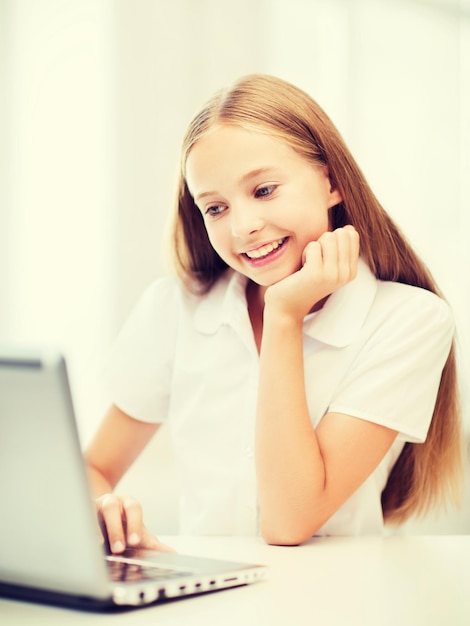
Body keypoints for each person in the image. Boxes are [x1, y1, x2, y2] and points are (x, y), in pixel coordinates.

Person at [85, 74, 464, 553]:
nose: (242, 227)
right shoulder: (174, 307)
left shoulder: (409, 320)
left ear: (332, 182)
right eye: (216, 207)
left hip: (340, 603)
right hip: (203, 604)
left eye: (263, 191)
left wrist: (284, 314)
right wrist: (104, 511)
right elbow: (93, 468)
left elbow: (289, 521)